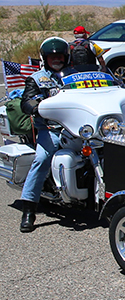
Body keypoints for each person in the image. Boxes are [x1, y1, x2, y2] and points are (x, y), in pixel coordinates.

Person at [17, 38, 70, 232]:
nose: (56, 59)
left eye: (60, 56)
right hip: (51, 129)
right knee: (41, 159)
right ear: (45, 58)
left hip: (77, 128)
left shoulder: (75, 76)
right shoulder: (37, 78)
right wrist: (35, 106)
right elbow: (26, 101)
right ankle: (29, 209)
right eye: (52, 56)